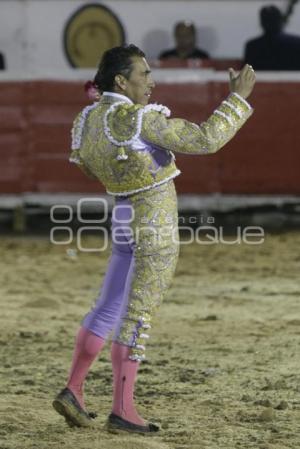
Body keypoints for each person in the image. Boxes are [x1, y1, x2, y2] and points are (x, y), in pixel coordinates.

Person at [52, 44, 255, 435]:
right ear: (121, 81)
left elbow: (91, 171)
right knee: (137, 314)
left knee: (109, 303)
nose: (152, 81)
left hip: (123, 214)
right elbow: (206, 139)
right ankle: (123, 410)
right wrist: (238, 99)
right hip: (153, 221)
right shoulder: (141, 119)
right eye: (144, 74)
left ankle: (74, 388)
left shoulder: (88, 119)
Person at [244, 5, 300, 70]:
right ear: (280, 21)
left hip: (260, 80)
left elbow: (246, 73)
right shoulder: (297, 43)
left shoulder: (252, 46)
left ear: (262, 23)